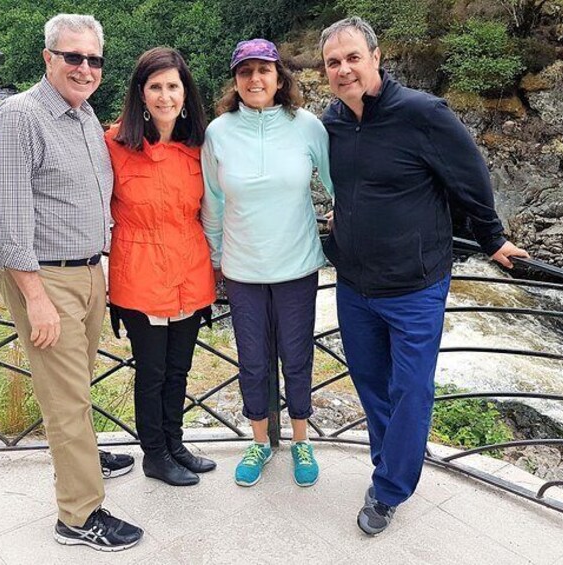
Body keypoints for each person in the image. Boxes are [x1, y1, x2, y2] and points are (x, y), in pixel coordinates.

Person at [319, 17, 529, 536]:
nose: (344, 69)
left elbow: (470, 176)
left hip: (416, 284)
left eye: (352, 58)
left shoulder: (422, 113)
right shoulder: (332, 123)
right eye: (333, 63)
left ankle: (389, 489)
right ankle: (389, 465)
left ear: (375, 57)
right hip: (355, 284)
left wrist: (492, 237)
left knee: (411, 389)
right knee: (371, 385)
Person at [0, 13, 143, 551]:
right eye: (73, 56)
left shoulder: (83, 114)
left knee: (76, 384)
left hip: (87, 270)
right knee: (65, 400)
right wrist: (36, 298)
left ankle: (85, 461)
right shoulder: (20, 116)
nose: (85, 67)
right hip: (45, 278)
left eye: (94, 59)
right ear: (48, 58)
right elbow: (2, 218)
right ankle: (79, 515)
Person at [201, 39, 333, 488]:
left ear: (280, 77)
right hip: (242, 271)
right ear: (235, 81)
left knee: (297, 358)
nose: (255, 79)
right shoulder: (218, 132)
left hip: (297, 266)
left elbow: (337, 185)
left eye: (264, 70)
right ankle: (258, 442)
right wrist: (216, 259)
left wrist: (348, 221)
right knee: (253, 361)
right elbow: (214, 203)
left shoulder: (308, 126)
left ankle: (301, 441)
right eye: (245, 72)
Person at [106, 47, 217, 487]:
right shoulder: (113, 145)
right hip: (140, 273)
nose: (166, 96)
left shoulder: (198, 147)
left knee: (179, 368)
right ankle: (154, 453)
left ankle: (175, 443)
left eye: (173, 86)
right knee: (151, 372)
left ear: (185, 92)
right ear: (141, 93)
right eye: (156, 87)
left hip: (190, 271)